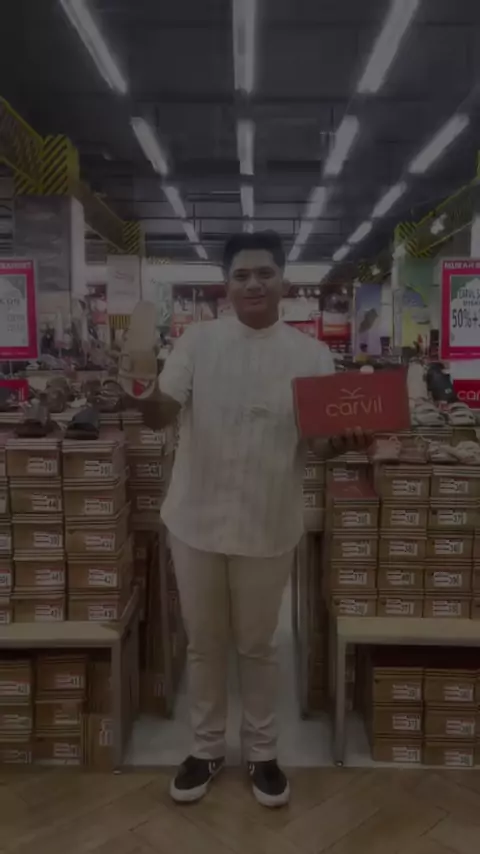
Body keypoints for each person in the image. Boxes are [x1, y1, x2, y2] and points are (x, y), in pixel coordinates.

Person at [142, 231, 370, 808]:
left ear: (283, 280)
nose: (253, 283)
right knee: (204, 642)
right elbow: (160, 414)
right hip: (195, 518)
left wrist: (343, 443)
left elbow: (318, 444)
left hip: (268, 521)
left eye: (264, 273)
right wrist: (140, 389)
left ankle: (262, 752)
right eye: (241, 274)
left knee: (258, 645)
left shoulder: (311, 356)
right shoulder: (197, 342)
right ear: (226, 284)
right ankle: (206, 748)